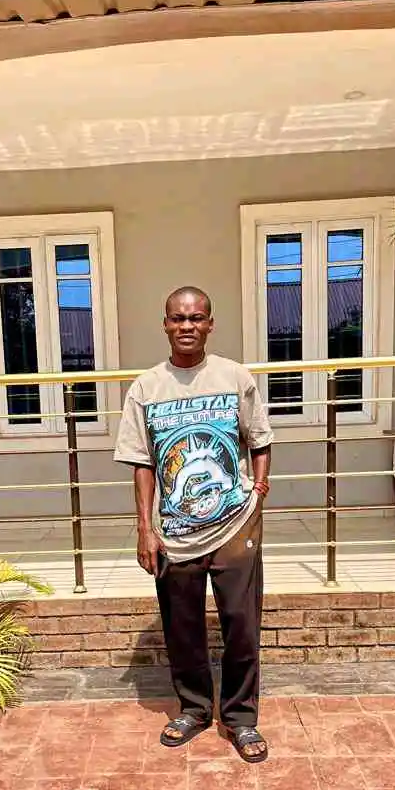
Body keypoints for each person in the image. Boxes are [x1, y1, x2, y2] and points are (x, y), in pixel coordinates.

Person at [114, 287, 273, 763]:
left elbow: (260, 439)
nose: (188, 326)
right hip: (174, 533)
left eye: (197, 318)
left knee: (241, 624)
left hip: (234, 525)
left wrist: (257, 493)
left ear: (210, 324)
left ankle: (241, 718)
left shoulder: (234, 377)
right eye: (179, 318)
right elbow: (142, 463)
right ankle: (195, 709)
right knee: (182, 626)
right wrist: (145, 529)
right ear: (165, 324)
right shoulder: (146, 388)